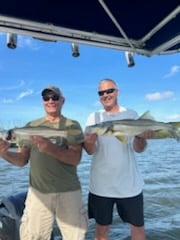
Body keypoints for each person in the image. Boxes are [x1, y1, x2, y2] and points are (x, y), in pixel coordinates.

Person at [0, 85, 87, 240]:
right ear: (42, 101)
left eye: (54, 97)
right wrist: (4, 153)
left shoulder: (71, 126)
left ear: (62, 100)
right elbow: (22, 160)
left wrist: (50, 148)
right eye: (46, 98)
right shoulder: (30, 126)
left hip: (69, 191)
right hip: (37, 193)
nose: (50, 101)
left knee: (75, 236)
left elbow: (75, 158)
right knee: (33, 236)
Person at [83, 78, 154, 240]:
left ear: (117, 91)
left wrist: (141, 138)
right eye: (101, 92)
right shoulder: (93, 118)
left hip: (130, 185)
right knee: (101, 230)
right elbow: (89, 151)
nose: (106, 95)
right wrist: (89, 142)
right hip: (101, 186)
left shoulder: (131, 114)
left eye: (110, 91)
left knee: (138, 230)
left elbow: (139, 149)